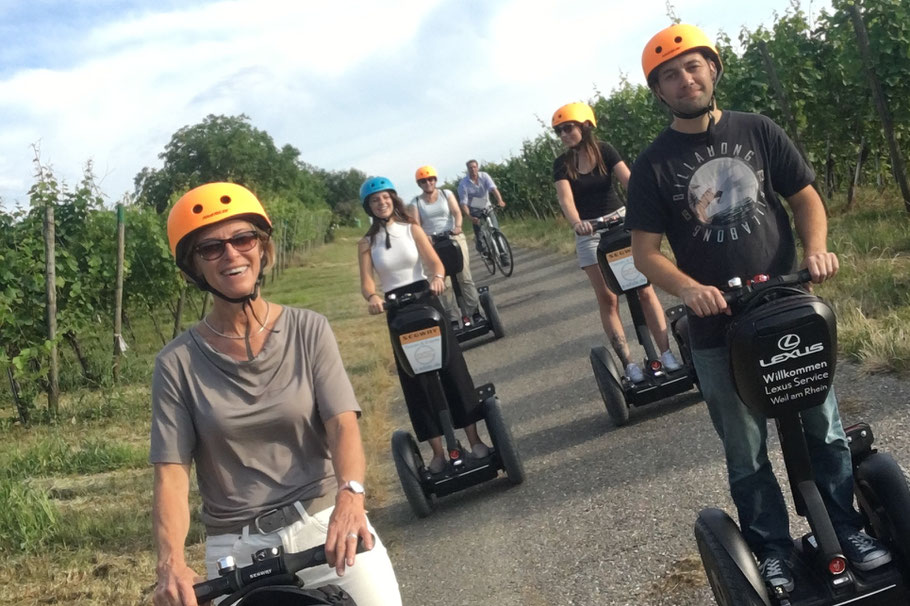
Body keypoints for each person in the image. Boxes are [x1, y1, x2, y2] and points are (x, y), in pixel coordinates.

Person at [626, 23, 891, 592]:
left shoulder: (757, 131)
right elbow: (645, 254)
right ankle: (771, 550)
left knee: (825, 429)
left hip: (788, 304)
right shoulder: (652, 165)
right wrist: (690, 289)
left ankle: (848, 531)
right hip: (716, 329)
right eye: (669, 75)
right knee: (746, 449)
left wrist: (816, 250)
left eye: (692, 66)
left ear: (713, 70)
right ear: (659, 91)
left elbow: (805, 198)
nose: (684, 80)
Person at [150, 182, 402, 606]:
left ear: (262, 247)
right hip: (236, 550)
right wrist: (171, 561)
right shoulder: (176, 364)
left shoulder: (309, 329)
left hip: (327, 525)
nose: (231, 255)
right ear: (193, 266)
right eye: (211, 248)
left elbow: (341, 423)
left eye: (242, 239)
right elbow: (171, 474)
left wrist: (351, 496)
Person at [357, 176, 490, 474]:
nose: (382, 203)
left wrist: (438, 278)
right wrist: (372, 297)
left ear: (393, 199)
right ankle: (438, 453)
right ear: (369, 206)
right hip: (395, 309)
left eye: (386, 198)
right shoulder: (366, 243)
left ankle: (475, 439)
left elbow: (435, 263)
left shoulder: (411, 228)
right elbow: (367, 281)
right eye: (375, 200)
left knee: (452, 368)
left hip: (426, 299)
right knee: (416, 381)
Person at [552, 101, 682, 382]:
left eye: (567, 128)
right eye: (558, 131)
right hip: (590, 232)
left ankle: (666, 354)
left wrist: (643, 207)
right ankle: (630, 365)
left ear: (585, 126)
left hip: (621, 221)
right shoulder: (562, 165)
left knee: (645, 289)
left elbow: (629, 182)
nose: (563, 135)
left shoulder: (605, 151)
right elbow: (566, 199)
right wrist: (577, 223)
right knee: (608, 298)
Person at [407, 165, 483, 330]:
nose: (428, 183)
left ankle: (475, 312)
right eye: (423, 181)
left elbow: (456, 212)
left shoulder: (445, 194)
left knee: (464, 276)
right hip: (432, 244)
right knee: (443, 282)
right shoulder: (416, 202)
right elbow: (415, 224)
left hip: (453, 237)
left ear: (435, 180)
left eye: (430, 179)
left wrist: (458, 226)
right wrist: (424, 236)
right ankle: (453, 319)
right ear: (419, 184)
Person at [457, 159, 506, 254]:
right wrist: (470, 217)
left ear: (477, 167)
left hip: (486, 204)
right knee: (479, 230)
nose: (473, 169)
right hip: (473, 206)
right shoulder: (463, 184)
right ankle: (482, 247)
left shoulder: (484, 176)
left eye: (474, 167)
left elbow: (493, 189)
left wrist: (500, 200)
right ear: (467, 169)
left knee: (495, 229)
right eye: (470, 168)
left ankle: (503, 254)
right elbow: (463, 203)